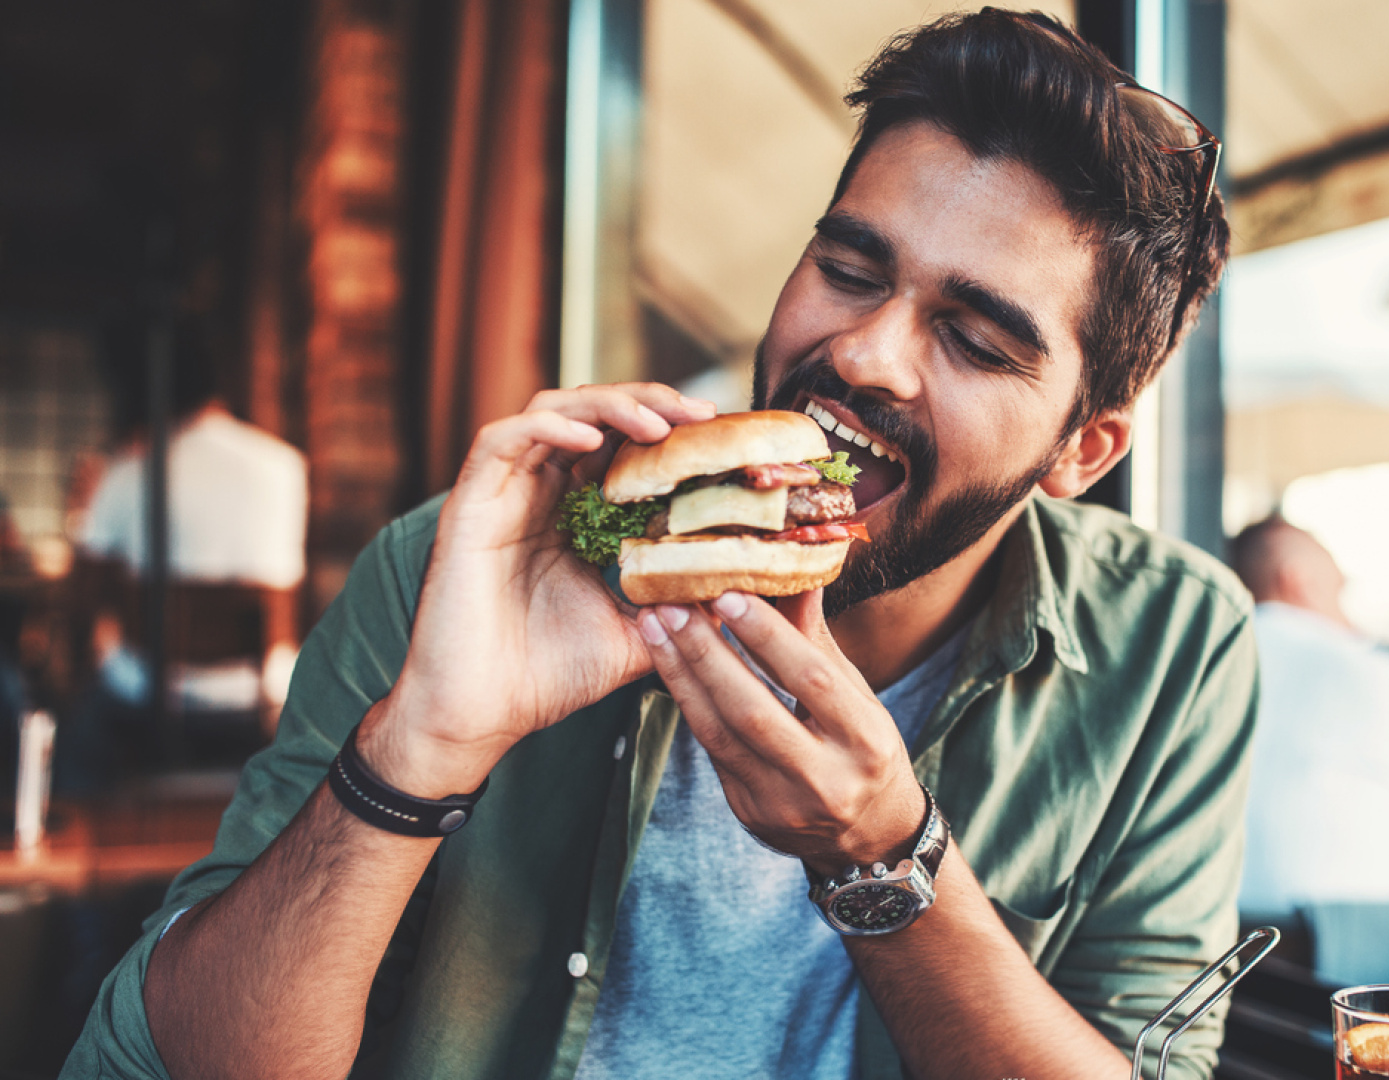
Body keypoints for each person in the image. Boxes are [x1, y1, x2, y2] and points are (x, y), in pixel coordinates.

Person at [63, 11, 1256, 1080]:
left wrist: (887, 858)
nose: (867, 355)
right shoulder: (465, 569)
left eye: (979, 342)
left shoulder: (1174, 648)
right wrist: (422, 746)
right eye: (848, 269)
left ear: (1082, 452)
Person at [1229, 516, 1389, 917]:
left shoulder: (1186, 668)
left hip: (1208, 956)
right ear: (1299, 580)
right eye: (1341, 590)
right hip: (1339, 952)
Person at [74, 323, 306, 716]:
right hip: (263, 682)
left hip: (151, 684)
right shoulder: (285, 465)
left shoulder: (130, 471)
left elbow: (86, 584)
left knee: (92, 681)